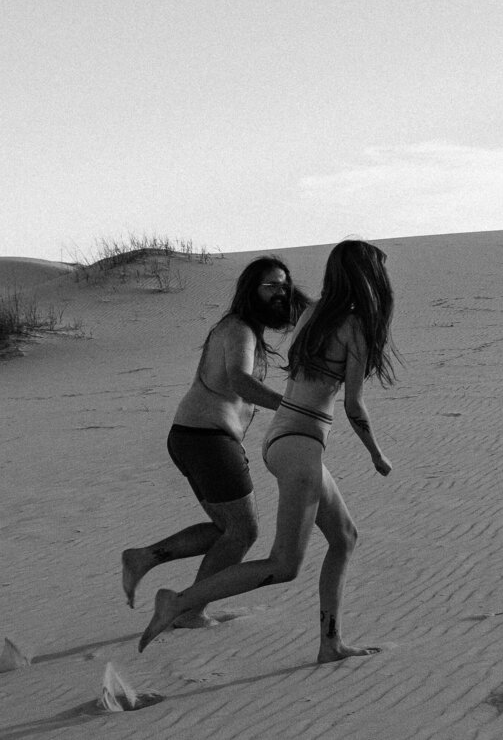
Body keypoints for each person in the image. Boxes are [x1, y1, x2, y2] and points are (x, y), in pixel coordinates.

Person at [139, 239, 399, 662]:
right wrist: (376, 452)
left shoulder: (315, 314)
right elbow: (354, 405)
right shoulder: (354, 326)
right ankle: (180, 602)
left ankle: (330, 643)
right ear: (368, 279)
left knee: (345, 537)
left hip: (283, 441)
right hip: (300, 447)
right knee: (283, 564)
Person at [122, 256, 310, 628]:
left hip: (193, 438)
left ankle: (144, 557)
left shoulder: (246, 328)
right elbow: (238, 380)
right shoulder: (239, 329)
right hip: (208, 440)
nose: (279, 293)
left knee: (228, 529)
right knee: (243, 531)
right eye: (270, 286)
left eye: (283, 286)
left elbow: (303, 307)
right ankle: (188, 610)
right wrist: (289, 407)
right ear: (250, 290)